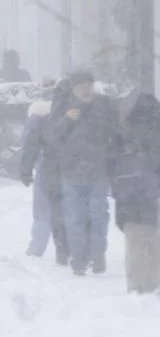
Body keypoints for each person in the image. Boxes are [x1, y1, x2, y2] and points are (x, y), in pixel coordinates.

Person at [48, 71, 118, 276]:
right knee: (75, 217)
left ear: (93, 85)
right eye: (79, 85)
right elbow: (52, 137)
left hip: (98, 171)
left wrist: (107, 157)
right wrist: (66, 120)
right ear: (72, 88)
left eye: (88, 84)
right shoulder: (63, 105)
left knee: (98, 216)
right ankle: (78, 260)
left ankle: (98, 256)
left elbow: (114, 134)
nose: (84, 89)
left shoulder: (104, 104)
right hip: (71, 172)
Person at [110, 94, 160, 293]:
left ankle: (136, 286)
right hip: (154, 197)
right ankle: (153, 283)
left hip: (128, 198)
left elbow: (111, 163)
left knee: (135, 244)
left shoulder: (122, 133)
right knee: (155, 243)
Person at [20, 78, 69, 265]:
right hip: (70, 166)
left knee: (42, 209)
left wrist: (26, 166)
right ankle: (69, 248)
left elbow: (28, 142)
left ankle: (37, 248)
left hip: (45, 165)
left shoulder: (37, 112)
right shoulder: (69, 109)